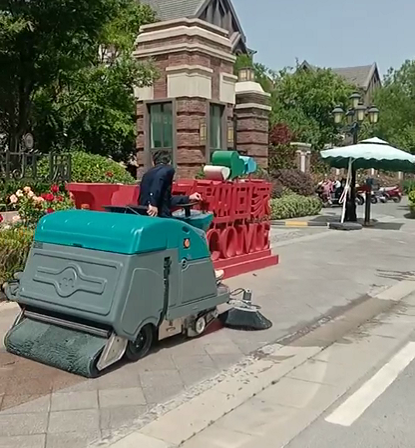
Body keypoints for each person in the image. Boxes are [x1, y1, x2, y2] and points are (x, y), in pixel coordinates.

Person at [138, 150, 224, 281]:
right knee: (199, 234)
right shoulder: (166, 170)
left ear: (153, 162)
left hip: (148, 218)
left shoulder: (147, 175)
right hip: (163, 220)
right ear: (169, 162)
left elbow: (166, 200)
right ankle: (209, 275)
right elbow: (159, 181)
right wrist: (153, 202)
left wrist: (188, 198)